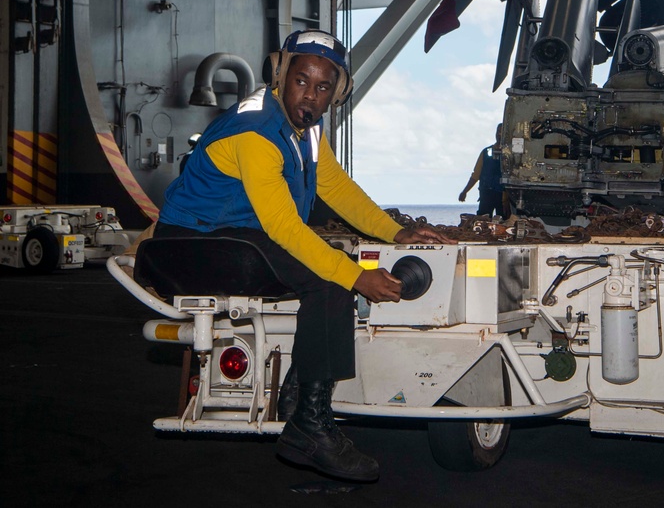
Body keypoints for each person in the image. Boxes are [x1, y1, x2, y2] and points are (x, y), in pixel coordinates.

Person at [155, 29, 452, 482]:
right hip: (190, 245)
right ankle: (309, 428)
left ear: (336, 93)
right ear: (280, 75)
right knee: (331, 277)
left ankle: (297, 398)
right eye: (301, 80)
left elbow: (336, 189)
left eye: (322, 86)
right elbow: (284, 228)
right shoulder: (256, 131)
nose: (309, 95)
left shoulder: (307, 130)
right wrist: (356, 277)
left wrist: (398, 232)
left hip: (228, 238)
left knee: (328, 265)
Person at [458, 123, 506, 217]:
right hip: (486, 194)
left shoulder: (512, 154)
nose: (499, 134)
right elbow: (475, 175)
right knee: (483, 222)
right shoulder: (486, 152)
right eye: (498, 131)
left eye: (502, 131)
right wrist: (465, 192)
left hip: (504, 197)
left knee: (505, 223)